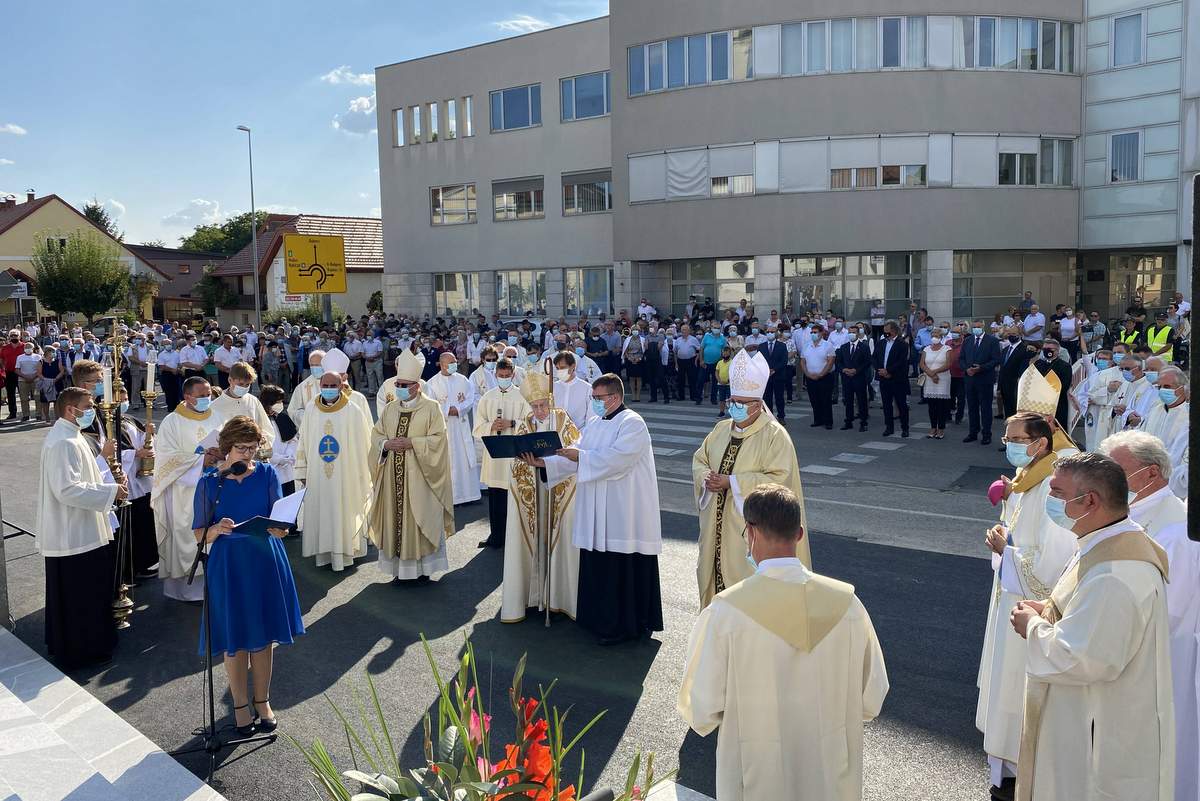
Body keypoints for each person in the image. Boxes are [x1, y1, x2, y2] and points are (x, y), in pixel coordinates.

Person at [678, 483, 889, 801]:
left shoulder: (727, 611)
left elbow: (702, 707)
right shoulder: (847, 605)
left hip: (758, 768)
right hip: (829, 769)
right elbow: (873, 696)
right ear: (800, 533)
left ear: (750, 532)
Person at [1010, 452, 1172, 801]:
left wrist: (1033, 625)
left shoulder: (1115, 574)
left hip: (1096, 731)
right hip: (1085, 715)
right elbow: (1086, 614)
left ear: (1090, 500)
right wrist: (1051, 610)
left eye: (1056, 493)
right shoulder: (1105, 540)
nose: (1049, 500)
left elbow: (1081, 658)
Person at [975, 412, 1077, 799]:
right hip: (1007, 595)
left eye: (1016, 437)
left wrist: (1007, 551)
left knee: (1017, 685)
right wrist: (1005, 536)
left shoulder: (1049, 490)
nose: (1008, 443)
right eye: (1007, 436)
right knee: (1004, 678)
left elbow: (1050, 566)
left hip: (1027, 606)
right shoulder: (1026, 480)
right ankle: (1003, 763)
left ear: (1040, 443)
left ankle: (1020, 764)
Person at [1100, 431, 1197, 801]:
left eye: (1116, 473)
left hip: (1160, 663)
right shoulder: (1130, 513)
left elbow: (1166, 611)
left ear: (1151, 474)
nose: (1108, 482)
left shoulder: (1177, 530)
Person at [192, 415, 304, 735]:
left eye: (254, 449)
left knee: (263, 637)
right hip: (229, 563)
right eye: (242, 448)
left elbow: (278, 518)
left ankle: (263, 701)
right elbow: (199, 533)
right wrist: (216, 528)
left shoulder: (267, 474)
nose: (248, 455)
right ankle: (240, 705)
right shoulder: (210, 482)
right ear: (227, 447)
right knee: (235, 639)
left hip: (265, 558)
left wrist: (280, 528)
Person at [543, 374, 663, 645]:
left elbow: (618, 459)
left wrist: (580, 457)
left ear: (616, 398)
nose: (594, 403)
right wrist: (547, 463)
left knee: (619, 567)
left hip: (623, 510)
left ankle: (623, 625)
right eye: (593, 398)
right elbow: (577, 450)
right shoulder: (596, 422)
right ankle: (596, 619)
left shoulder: (633, 423)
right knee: (598, 561)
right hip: (598, 508)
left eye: (598, 398)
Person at [692, 349, 811, 609]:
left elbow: (780, 480)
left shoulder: (774, 435)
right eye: (732, 400)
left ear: (757, 405)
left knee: (748, 599)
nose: (734, 407)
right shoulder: (721, 429)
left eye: (741, 403)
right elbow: (699, 459)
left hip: (749, 530)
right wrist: (707, 477)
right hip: (716, 523)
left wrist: (732, 483)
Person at [37, 387, 126, 668]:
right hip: (74, 532)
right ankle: (83, 649)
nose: (93, 410)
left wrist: (109, 486)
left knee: (80, 593)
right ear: (69, 410)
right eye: (88, 406)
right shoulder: (64, 442)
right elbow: (67, 490)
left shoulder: (71, 436)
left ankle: (76, 644)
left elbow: (85, 478)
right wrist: (112, 493)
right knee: (81, 595)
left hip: (79, 529)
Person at [369, 348, 455, 582]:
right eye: (398, 383)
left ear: (417, 386)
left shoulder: (431, 408)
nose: (399, 387)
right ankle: (399, 570)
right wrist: (386, 444)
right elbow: (376, 435)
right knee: (396, 520)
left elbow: (439, 440)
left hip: (421, 478)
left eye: (404, 384)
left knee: (418, 517)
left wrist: (412, 443)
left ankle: (423, 569)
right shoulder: (390, 408)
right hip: (392, 479)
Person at [507, 373, 583, 622]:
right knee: (534, 535)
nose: (538, 411)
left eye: (542, 405)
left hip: (558, 487)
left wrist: (548, 462)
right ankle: (534, 595)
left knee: (558, 537)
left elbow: (576, 453)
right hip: (534, 486)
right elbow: (514, 456)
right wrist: (525, 462)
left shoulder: (562, 419)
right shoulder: (525, 422)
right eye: (534, 406)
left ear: (550, 401)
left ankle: (558, 596)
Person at [151, 376, 222, 602]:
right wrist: (200, 460)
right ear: (187, 397)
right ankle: (185, 589)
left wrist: (220, 454)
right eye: (201, 396)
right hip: (183, 492)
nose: (206, 398)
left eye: (208, 394)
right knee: (186, 535)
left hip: (215, 486)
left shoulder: (218, 416)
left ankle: (214, 584)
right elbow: (165, 458)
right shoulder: (172, 422)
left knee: (214, 533)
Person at [295, 367, 373, 571]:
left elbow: (363, 445)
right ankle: (324, 554)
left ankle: (347, 552)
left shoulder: (352, 410)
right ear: (319, 385)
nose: (328, 389)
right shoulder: (311, 408)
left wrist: (360, 473)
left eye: (333, 386)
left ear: (341, 386)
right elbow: (304, 441)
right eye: (325, 386)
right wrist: (302, 471)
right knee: (322, 510)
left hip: (345, 476)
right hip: (317, 475)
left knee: (343, 510)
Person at [473, 358, 531, 549]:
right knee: (495, 497)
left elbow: (532, 424)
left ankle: (514, 538)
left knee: (513, 497)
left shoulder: (522, 396)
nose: (504, 378)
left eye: (507, 376)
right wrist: (492, 425)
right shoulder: (487, 397)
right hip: (494, 456)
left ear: (513, 374)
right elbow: (477, 429)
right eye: (501, 376)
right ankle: (496, 536)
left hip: (514, 455)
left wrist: (512, 424)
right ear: (496, 375)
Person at [425, 352, 481, 506]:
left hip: (461, 424)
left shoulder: (462, 380)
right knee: (449, 459)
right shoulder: (432, 383)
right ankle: (451, 497)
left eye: (455, 361)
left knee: (464, 458)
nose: (454, 364)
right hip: (444, 426)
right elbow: (430, 404)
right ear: (442, 364)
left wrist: (459, 409)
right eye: (451, 362)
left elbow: (470, 398)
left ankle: (469, 495)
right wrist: (447, 410)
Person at [1137, 366, 1189, 499]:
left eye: (1167, 386)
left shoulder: (1188, 416)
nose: (1162, 391)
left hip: (1172, 484)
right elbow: (1141, 435)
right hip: (1144, 477)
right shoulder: (1156, 407)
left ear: (1182, 388)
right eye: (1159, 387)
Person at [209, 361, 274, 450]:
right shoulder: (216, 406)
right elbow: (213, 436)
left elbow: (265, 427)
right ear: (230, 380)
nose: (244, 387)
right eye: (240, 384)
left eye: (247, 384)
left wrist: (262, 438)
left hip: (253, 451)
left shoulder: (253, 401)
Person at [960, 319, 1002, 446]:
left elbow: (996, 359)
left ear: (983, 327)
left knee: (985, 409)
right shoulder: (967, 341)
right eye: (974, 327)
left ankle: (986, 434)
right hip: (970, 379)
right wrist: (966, 369)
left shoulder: (992, 341)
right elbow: (961, 358)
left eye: (978, 327)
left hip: (984, 379)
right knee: (972, 408)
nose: (976, 329)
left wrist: (981, 368)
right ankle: (973, 432)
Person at [260, 385, 299, 496]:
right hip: (271, 469)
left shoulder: (283, 417)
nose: (280, 404)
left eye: (281, 401)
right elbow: (258, 449)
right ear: (268, 402)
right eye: (277, 401)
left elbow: (293, 440)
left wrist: (289, 454)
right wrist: (276, 459)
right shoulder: (258, 421)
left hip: (288, 470)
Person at [874, 321, 911, 438]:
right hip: (883, 378)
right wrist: (880, 370)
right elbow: (874, 358)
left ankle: (905, 428)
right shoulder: (880, 343)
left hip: (897, 379)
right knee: (886, 404)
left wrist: (889, 371)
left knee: (901, 404)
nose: (885, 334)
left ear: (894, 331)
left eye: (887, 332)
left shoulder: (902, 344)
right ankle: (889, 427)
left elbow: (901, 362)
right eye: (884, 332)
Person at [920, 328, 953, 439]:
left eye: (937, 335)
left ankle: (941, 428)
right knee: (931, 405)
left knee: (941, 406)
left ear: (941, 337)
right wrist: (931, 374)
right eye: (933, 335)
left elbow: (948, 364)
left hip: (942, 379)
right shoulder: (926, 349)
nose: (934, 337)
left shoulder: (947, 349)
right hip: (930, 379)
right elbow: (922, 364)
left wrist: (935, 372)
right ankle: (933, 427)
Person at [286, 349, 326, 427]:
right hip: (310, 428)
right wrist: (309, 416)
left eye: (318, 365)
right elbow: (292, 410)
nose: (314, 368)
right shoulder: (302, 387)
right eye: (312, 365)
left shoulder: (334, 383)